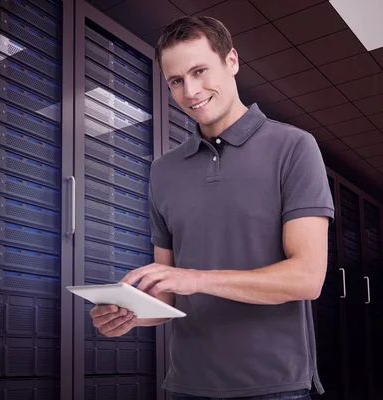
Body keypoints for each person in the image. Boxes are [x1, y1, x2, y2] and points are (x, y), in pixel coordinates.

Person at [88, 15, 335, 400]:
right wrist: (130, 316)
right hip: (186, 385)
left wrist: (198, 279)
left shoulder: (294, 148)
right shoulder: (163, 171)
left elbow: (307, 277)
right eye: (176, 81)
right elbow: (167, 294)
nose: (190, 91)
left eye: (200, 71)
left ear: (231, 61)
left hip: (274, 387)